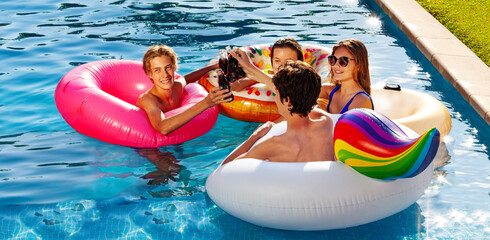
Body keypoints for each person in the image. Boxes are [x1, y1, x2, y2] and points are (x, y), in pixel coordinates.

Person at [222, 61, 334, 164]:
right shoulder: (325, 121)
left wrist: (254, 137)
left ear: (287, 101)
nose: (275, 99)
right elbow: (307, 106)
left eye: (276, 94)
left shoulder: (273, 145)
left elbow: (227, 166)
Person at [137, 45, 232, 135]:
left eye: (168, 67)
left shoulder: (176, 87)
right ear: (149, 73)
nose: (165, 75)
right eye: (157, 70)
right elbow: (162, 128)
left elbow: (186, 79)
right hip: (148, 148)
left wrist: (214, 67)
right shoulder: (147, 99)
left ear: (174, 67)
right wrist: (207, 102)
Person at [317, 39, 373, 114]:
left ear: (359, 65)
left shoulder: (362, 100)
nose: (336, 65)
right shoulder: (329, 91)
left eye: (343, 61)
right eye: (333, 60)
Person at [229, 38, 304, 92]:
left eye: (289, 61)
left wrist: (249, 67)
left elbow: (283, 88)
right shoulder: (267, 74)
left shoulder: (305, 80)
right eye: (277, 60)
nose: (282, 65)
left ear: (300, 62)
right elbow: (236, 86)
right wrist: (230, 71)